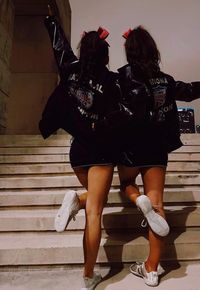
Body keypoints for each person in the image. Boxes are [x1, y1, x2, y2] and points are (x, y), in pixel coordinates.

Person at [117, 26, 200, 287]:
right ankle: (152, 269)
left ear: (129, 52)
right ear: (153, 51)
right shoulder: (165, 80)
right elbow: (186, 90)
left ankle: (136, 198)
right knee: (158, 204)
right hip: (156, 147)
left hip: (130, 146)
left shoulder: (120, 78)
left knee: (125, 184)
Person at [39, 7, 124, 290]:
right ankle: (89, 275)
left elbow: (59, 46)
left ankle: (77, 199)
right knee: (95, 213)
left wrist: (51, 20)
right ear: (105, 55)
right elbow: (120, 115)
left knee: (94, 202)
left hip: (78, 152)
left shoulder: (69, 70)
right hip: (101, 150)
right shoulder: (112, 82)